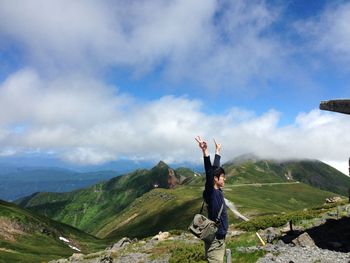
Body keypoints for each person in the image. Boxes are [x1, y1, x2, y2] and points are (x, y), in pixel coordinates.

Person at [195, 136, 228, 263]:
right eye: (223, 177)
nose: (224, 179)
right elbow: (210, 172)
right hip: (215, 240)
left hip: (220, 239)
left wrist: (218, 152)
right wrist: (205, 152)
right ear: (215, 179)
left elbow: (215, 169)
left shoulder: (218, 190)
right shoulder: (211, 192)